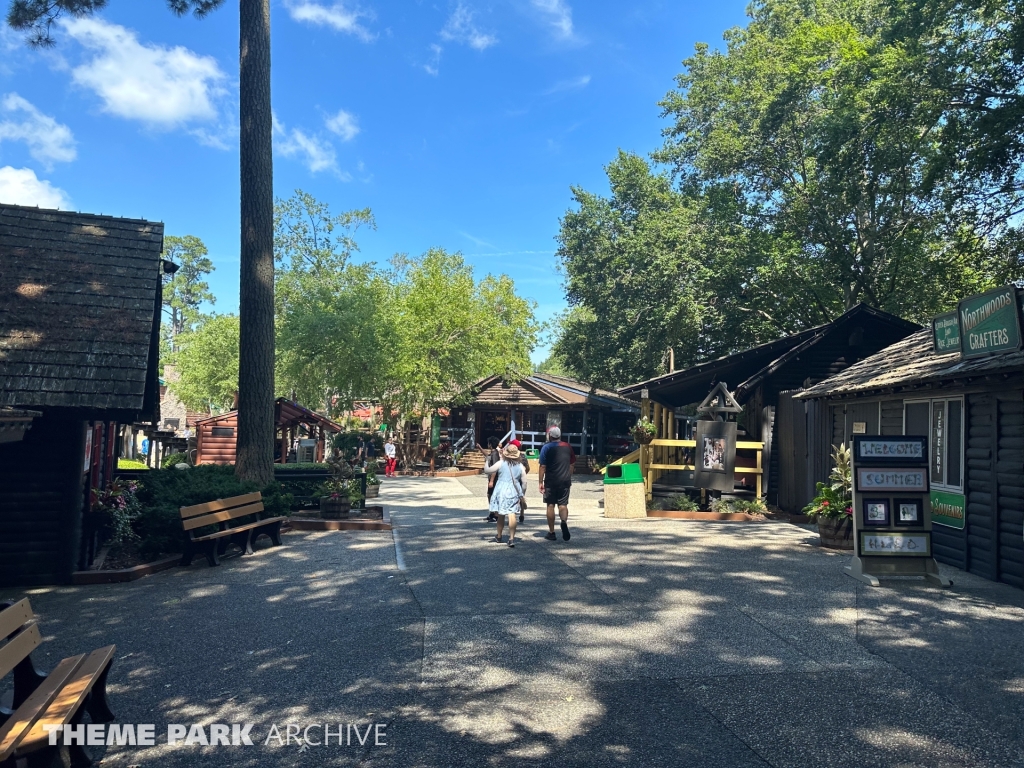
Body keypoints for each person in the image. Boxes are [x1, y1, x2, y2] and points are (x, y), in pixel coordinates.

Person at [484, 443, 526, 547]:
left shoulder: (501, 463)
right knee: (512, 514)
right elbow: (524, 483)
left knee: (501, 513)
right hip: (514, 490)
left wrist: (486, 461)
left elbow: (487, 470)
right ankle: (511, 538)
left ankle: (499, 536)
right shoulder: (520, 466)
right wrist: (522, 494)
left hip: (501, 490)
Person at [538, 426, 575, 541]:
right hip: (565, 480)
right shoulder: (568, 446)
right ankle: (563, 521)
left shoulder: (546, 447)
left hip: (551, 480)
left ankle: (552, 532)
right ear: (559, 435)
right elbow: (572, 464)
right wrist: (568, 476)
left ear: (550, 435)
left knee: (550, 505)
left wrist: (540, 481)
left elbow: (543, 466)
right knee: (563, 504)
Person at [508, 438, 530, 523]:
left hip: (512, 480)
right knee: (521, 496)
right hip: (521, 479)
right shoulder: (523, 456)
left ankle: (512, 516)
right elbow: (527, 468)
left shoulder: (509, 457)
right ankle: (522, 514)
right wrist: (523, 474)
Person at [483, 437, 501, 522]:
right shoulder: (493, 453)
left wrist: (491, 481)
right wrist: (480, 448)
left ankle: (495, 514)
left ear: (490, 444)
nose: (488, 444)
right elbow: (487, 456)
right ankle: (492, 513)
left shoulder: (495, 454)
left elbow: (495, 468)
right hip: (492, 478)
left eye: (488, 443)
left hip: (495, 479)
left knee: (492, 495)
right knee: (490, 495)